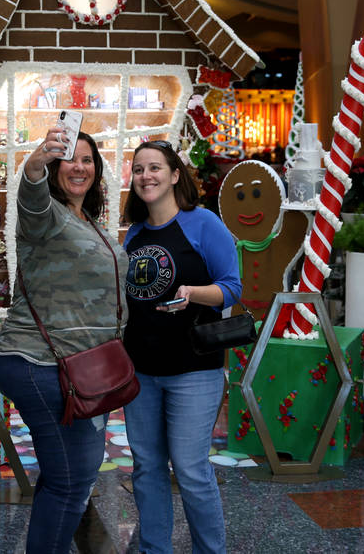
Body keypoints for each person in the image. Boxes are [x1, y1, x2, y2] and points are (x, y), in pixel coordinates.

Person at [0, 125, 128, 554]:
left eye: (88, 160)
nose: (80, 167)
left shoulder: (89, 221)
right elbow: (30, 191)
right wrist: (35, 162)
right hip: (40, 362)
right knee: (74, 479)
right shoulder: (45, 214)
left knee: (62, 474)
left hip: (80, 367)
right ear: (54, 166)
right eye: (70, 158)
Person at [121, 140, 241, 554]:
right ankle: (156, 549)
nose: (145, 176)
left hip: (194, 368)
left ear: (174, 175)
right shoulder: (133, 235)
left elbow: (231, 288)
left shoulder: (203, 224)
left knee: (190, 470)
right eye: (138, 170)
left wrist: (192, 293)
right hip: (139, 370)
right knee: (147, 468)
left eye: (154, 168)